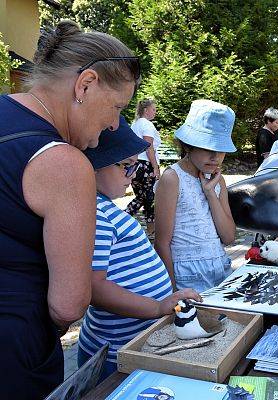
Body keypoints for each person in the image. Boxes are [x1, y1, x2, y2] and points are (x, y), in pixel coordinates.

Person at [0, 20, 139, 398]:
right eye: (117, 108)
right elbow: (68, 305)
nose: (114, 125)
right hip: (13, 354)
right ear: (86, 84)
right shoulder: (65, 162)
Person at [79, 117, 202, 382]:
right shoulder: (96, 214)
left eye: (135, 166)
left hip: (131, 342)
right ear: (92, 166)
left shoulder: (105, 208)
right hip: (116, 353)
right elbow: (94, 287)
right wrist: (157, 307)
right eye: (126, 166)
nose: (133, 175)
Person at [155, 100, 237, 292]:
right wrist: (172, 291)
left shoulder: (218, 180)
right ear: (189, 145)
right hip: (186, 277)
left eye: (221, 150)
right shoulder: (172, 178)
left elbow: (229, 236)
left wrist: (210, 193)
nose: (215, 157)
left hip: (220, 269)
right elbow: (162, 242)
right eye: (208, 148)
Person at [126, 99, 161, 237]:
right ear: (146, 110)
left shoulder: (135, 124)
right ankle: (122, 217)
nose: (155, 112)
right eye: (154, 109)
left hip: (134, 165)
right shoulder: (147, 125)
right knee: (146, 197)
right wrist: (155, 167)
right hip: (146, 165)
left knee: (145, 197)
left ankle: (151, 230)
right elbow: (148, 147)